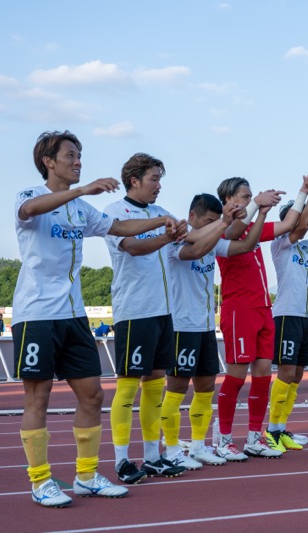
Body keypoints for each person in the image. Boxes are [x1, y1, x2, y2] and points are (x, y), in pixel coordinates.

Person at [13, 130, 174, 507]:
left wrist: (161, 225)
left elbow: (118, 228)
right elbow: (30, 212)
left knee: (93, 394)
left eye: (80, 154)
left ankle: (86, 476)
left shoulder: (81, 210)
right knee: (39, 396)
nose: (78, 160)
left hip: (73, 314)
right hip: (36, 314)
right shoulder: (30, 195)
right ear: (48, 162)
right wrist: (83, 189)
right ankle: (41, 480)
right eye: (70, 155)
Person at [161, 193, 268, 469]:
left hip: (205, 326)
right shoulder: (176, 241)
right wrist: (223, 222)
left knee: (206, 387)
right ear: (192, 217)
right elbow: (194, 251)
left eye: (214, 221)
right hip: (181, 326)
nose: (212, 226)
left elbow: (246, 244)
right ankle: (171, 447)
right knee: (176, 388)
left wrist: (261, 214)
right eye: (207, 221)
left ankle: (198, 445)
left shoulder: (214, 244)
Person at [104, 153, 189, 484]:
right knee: (127, 389)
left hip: (163, 312)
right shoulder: (115, 212)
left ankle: (153, 456)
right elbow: (133, 247)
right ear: (134, 180)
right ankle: (122, 460)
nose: (159, 185)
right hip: (134, 312)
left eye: (160, 178)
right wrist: (167, 232)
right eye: (154, 178)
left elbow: (189, 244)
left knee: (155, 388)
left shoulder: (162, 213)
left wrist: (220, 221)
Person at [212, 176, 304, 460]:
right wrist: (257, 205)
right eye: (243, 195)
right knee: (236, 377)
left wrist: (303, 191)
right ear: (228, 201)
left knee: (263, 375)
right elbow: (232, 232)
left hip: (264, 309)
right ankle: (224, 437)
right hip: (239, 310)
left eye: (250, 195)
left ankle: (254, 436)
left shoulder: (253, 227)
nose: (248, 199)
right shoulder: (221, 229)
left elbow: (289, 225)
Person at [268, 174, 308, 451]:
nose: (302, 224)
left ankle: (281, 428)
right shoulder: (281, 243)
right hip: (286, 314)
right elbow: (303, 224)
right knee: (285, 372)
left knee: (296, 375)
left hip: (305, 317)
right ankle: (272, 429)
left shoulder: (306, 247)